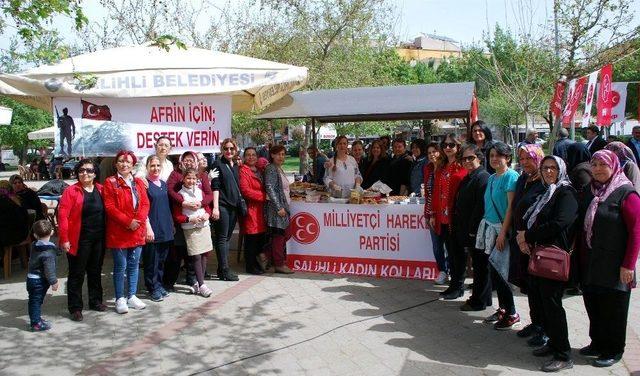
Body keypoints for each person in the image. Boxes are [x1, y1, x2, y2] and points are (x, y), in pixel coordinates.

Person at [517, 156, 578, 372]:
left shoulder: (566, 192)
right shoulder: (549, 191)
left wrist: (529, 235)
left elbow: (559, 223)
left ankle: (563, 354)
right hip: (541, 254)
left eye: (553, 168)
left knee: (553, 306)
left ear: (561, 169)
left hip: (554, 257)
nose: (548, 171)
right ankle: (553, 343)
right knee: (544, 303)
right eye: (545, 168)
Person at [580, 149, 640, 367]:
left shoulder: (626, 193)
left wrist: (628, 265)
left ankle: (614, 349)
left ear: (614, 166)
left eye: (602, 165)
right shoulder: (591, 191)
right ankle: (597, 342)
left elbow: (636, 232)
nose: (597, 169)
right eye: (593, 165)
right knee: (593, 303)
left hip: (615, 264)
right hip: (592, 261)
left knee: (613, 308)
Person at [476, 142, 520, 330]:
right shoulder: (493, 177)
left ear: (507, 158)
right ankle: (502, 308)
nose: (494, 159)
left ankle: (511, 312)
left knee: (502, 274)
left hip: (502, 231)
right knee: (494, 271)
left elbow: (511, 207)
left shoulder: (511, 176)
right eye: (492, 155)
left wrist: (502, 233)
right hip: (490, 229)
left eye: (498, 155)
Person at [57, 159, 106, 321]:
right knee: (77, 274)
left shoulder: (101, 189)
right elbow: (63, 217)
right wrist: (64, 239)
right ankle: (75, 307)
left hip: (98, 239)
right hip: (78, 239)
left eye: (89, 170)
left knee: (95, 271)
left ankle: (95, 301)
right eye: (82, 170)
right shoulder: (71, 191)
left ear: (95, 173)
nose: (85, 173)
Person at [508, 145, 548, 345]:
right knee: (529, 285)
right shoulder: (523, 179)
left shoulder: (545, 181)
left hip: (535, 243)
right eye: (522, 159)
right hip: (519, 241)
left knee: (539, 288)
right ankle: (535, 322)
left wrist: (528, 237)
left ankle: (545, 328)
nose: (524, 162)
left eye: (529, 159)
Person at [103, 150, 150, 314]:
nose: (124, 164)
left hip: (136, 230)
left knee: (134, 265)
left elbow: (145, 204)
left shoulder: (138, 182)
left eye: (128, 162)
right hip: (119, 231)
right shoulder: (110, 182)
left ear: (133, 165)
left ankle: (131, 295)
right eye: (121, 161)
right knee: (120, 266)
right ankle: (119, 298)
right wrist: (128, 222)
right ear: (116, 164)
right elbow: (110, 207)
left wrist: (139, 221)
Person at [164, 151, 213, 288]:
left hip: (200, 218)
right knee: (180, 250)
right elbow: (170, 191)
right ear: (181, 161)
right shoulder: (175, 174)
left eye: (192, 160)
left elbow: (208, 195)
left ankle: (194, 279)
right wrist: (183, 202)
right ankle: (170, 281)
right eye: (186, 160)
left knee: (199, 251)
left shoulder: (201, 175)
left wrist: (201, 204)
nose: (189, 162)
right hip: (182, 218)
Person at [450, 144, 490, 304]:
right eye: (464, 158)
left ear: (479, 158)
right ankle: (480, 299)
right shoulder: (468, 177)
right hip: (466, 229)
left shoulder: (483, 177)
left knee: (481, 268)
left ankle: (479, 301)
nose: (466, 161)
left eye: (470, 158)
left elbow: (480, 207)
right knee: (478, 267)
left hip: (476, 231)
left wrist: (472, 230)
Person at [427, 135, 467, 286]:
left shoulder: (462, 165)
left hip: (455, 217)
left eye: (452, 145)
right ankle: (452, 282)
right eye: (445, 145)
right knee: (448, 248)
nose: (448, 147)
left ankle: (457, 284)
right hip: (441, 216)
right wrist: (433, 213)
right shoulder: (442, 166)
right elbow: (436, 192)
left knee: (456, 253)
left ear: (458, 147)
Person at [173, 168, 214, 297]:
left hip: (204, 226)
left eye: (194, 179)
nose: (191, 181)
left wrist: (207, 215)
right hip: (190, 228)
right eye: (188, 178)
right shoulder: (180, 195)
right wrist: (190, 218)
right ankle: (202, 285)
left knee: (204, 254)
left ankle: (197, 283)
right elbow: (177, 215)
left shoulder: (200, 191)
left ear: (197, 180)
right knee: (196, 255)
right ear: (183, 179)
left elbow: (207, 207)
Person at [142, 156, 175, 302]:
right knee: (152, 261)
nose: (155, 168)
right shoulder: (144, 185)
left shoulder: (163, 183)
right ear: (147, 167)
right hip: (152, 229)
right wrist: (148, 228)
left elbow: (167, 206)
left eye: (158, 166)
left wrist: (171, 224)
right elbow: (143, 209)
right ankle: (152, 287)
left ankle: (159, 284)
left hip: (165, 227)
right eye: (152, 166)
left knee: (162, 260)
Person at [211, 138, 243, 281]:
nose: (229, 151)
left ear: (235, 150)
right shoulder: (217, 164)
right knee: (222, 238)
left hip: (233, 207)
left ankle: (220, 269)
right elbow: (215, 186)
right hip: (222, 206)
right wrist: (216, 208)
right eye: (226, 149)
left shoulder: (235, 164)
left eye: (231, 148)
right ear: (222, 150)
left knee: (227, 238)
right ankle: (225, 270)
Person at [264, 145, 294, 274]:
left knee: (284, 234)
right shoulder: (271, 168)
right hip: (277, 208)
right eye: (278, 154)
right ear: (272, 155)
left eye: (283, 154)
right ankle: (279, 264)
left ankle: (266, 257)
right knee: (280, 235)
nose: (281, 157)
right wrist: (278, 207)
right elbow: (269, 187)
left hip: (283, 206)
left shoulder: (278, 168)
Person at [239, 147, 268, 275]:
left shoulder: (260, 170)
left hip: (261, 210)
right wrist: (263, 196)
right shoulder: (243, 171)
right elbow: (245, 190)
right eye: (248, 155)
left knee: (260, 238)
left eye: (253, 155)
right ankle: (250, 266)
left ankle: (256, 262)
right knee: (251, 239)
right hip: (251, 209)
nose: (251, 157)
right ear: (244, 157)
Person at [26, 220, 59, 331]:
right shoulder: (48, 253)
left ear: (35, 235)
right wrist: (54, 282)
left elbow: (48, 246)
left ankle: (36, 318)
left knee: (35, 300)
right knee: (36, 301)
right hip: (38, 281)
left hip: (31, 279)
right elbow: (49, 270)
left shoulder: (34, 244)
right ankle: (35, 323)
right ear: (52, 232)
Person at [422, 142, 445, 284]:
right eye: (429, 152)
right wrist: (428, 213)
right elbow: (428, 194)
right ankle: (442, 270)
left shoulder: (444, 168)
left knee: (447, 245)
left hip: (443, 213)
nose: (432, 155)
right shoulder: (428, 168)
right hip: (431, 213)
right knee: (436, 245)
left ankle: (450, 272)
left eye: (434, 151)